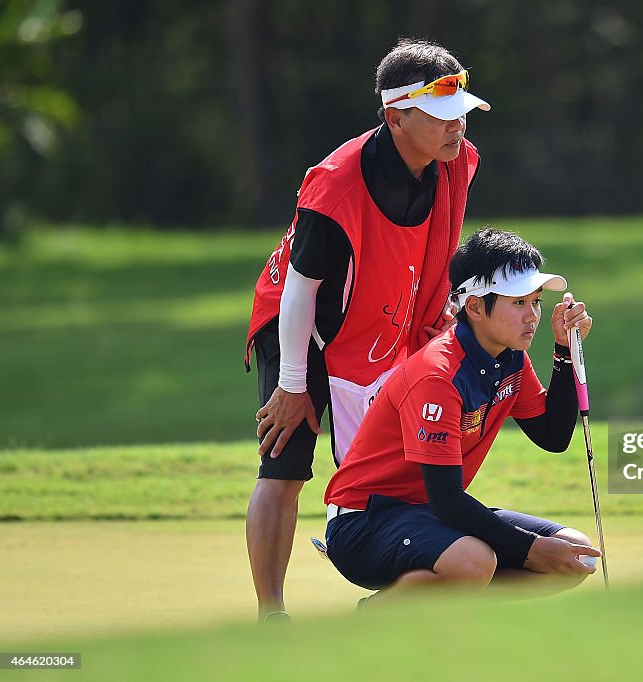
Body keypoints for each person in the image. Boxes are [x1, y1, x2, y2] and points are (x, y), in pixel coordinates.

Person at [244, 38, 489, 622]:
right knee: (285, 464)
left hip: (377, 324)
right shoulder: (338, 182)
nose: (458, 129)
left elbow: (429, 256)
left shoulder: (442, 169)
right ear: (396, 116)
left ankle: (392, 595)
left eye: (462, 114)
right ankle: (270, 617)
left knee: (388, 470)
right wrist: (295, 384)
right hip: (298, 326)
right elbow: (302, 286)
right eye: (443, 116)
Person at [322, 228, 599, 604]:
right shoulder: (437, 375)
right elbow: (448, 499)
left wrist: (564, 350)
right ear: (475, 307)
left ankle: (421, 608)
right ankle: (383, 617)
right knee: (474, 561)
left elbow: (553, 436)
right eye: (518, 303)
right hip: (364, 523)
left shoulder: (510, 357)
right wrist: (532, 549)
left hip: (430, 515)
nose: (532, 316)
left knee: (575, 552)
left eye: (535, 302)